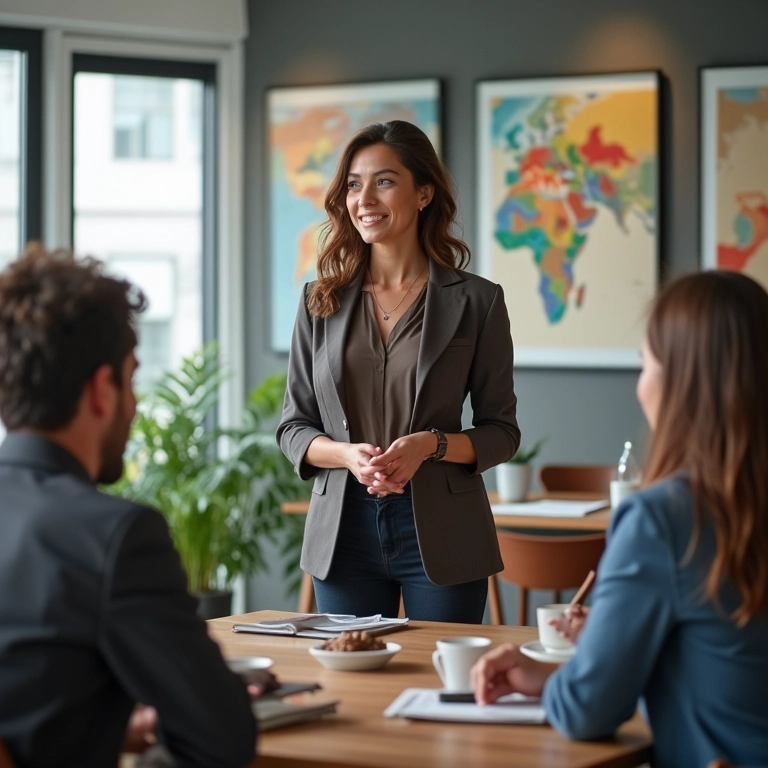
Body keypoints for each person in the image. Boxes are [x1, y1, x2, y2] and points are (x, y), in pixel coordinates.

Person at [471, 271, 768, 768]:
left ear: (680, 382)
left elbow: (589, 712)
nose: (640, 384)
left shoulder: (663, 518)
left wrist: (578, 675)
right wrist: (607, 647)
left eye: (644, 364)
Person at [0, 244, 256, 768]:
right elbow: (222, 741)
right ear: (102, 389)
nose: (135, 404)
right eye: (132, 378)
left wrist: (104, 728)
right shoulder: (113, 536)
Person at [277, 120, 520, 623]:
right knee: (351, 691)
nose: (365, 198)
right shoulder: (318, 301)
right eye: (353, 184)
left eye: (384, 181)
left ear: (424, 193)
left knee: (446, 689)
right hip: (343, 535)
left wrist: (428, 445)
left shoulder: (478, 301)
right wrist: (346, 455)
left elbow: (502, 432)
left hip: (444, 531)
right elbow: (293, 427)